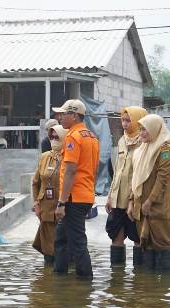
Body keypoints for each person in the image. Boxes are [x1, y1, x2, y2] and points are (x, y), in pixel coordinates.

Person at [52, 99, 100, 279]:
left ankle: (84, 281)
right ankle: (60, 275)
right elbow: (94, 169)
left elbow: (71, 170)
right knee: (62, 238)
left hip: (74, 197)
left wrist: (61, 202)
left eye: (64, 114)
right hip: (85, 195)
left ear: (74, 115)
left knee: (77, 242)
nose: (60, 117)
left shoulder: (73, 137)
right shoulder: (92, 136)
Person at [127, 114, 170, 271]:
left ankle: (167, 289)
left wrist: (150, 201)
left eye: (145, 129)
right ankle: (149, 291)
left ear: (155, 129)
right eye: (141, 129)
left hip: (158, 208)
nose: (142, 133)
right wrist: (131, 201)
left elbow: (163, 179)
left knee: (164, 246)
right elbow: (135, 178)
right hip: (141, 208)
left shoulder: (165, 149)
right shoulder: (142, 150)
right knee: (146, 246)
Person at [105, 106, 147, 266]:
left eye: (128, 120)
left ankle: (140, 278)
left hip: (134, 199)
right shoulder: (122, 140)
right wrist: (110, 196)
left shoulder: (143, 143)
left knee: (137, 237)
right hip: (117, 199)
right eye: (123, 120)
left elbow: (140, 174)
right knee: (116, 235)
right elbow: (117, 172)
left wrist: (132, 200)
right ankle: (117, 279)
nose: (124, 124)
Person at [32, 124, 67, 265]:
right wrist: (36, 203)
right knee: (47, 249)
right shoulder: (44, 157)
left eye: (57, 137)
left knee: (63, 245)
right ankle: (48, 280)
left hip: (63, 208)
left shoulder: (69, 157)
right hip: (45, 208)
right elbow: (36, 182)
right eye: (51, 137)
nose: (53, 139)